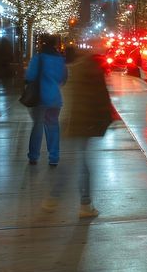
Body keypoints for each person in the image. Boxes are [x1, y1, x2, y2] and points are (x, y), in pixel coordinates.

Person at [44, 45, 115, 217]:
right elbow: (103, 99)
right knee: (81, 164)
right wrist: (107, 119)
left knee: (70, 162)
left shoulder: (69, 71)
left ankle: (53, 199)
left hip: (68, 121)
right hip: (84, 123)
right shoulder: (93, 71)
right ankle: (84, 204)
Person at [25, 33, 67, 166]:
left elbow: (30, 76)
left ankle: (33, 156)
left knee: (37, 126)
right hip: (55, 98)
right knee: (53, 126)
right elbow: (63, 78)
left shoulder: (38, 58)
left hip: (39, 97)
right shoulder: (60, 59)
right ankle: (54, 157)